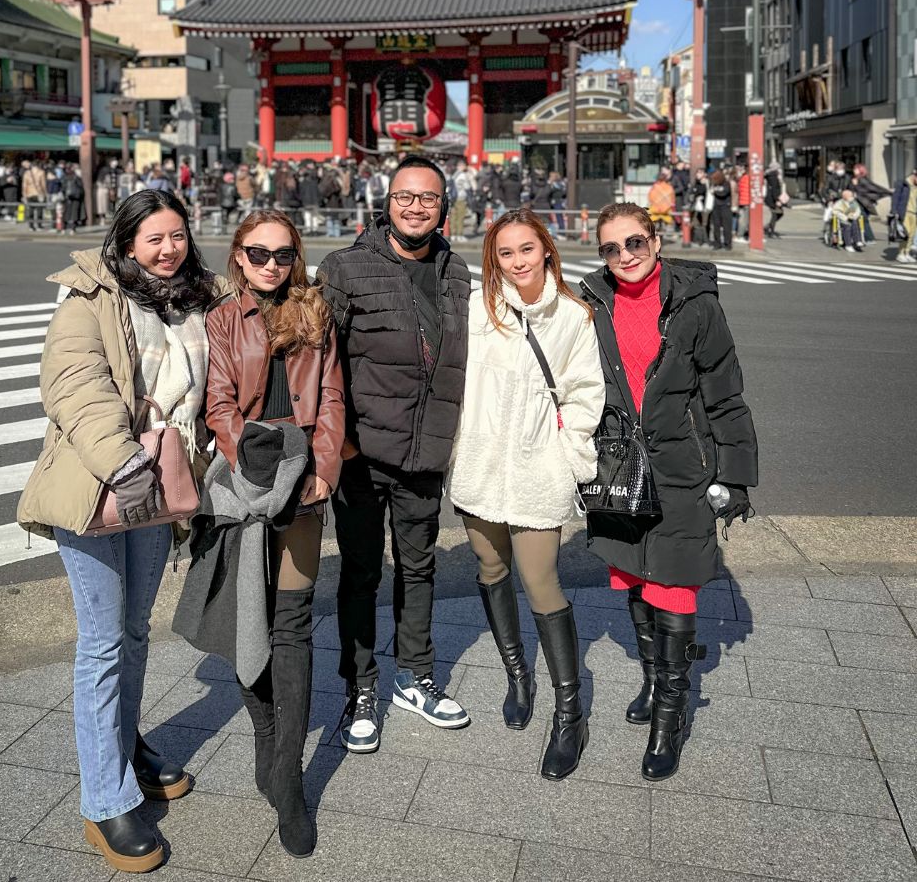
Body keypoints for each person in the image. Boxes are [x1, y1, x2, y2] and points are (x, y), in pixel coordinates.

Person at [17, 189, 219, 872]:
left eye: (178, 235)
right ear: (126, 240)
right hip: (101, 484)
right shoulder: (89, 298)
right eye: (154, 238)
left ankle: (125, 746)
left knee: (136, 630)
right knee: (103, 642)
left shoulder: (198, 298)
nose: (169, 249)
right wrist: (123, 462)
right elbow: (73, 382)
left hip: (162, 488)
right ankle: (105, 802)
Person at [580, 203, 757, 781]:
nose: (625, 256)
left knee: (675, 581)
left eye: (635, 243)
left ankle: (669, 716)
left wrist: (732, 474)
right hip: (619, 463)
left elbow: (724, 393)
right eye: (611, 248)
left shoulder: (695, 303)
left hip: (683, 464)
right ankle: (653, 679)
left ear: (655, 241)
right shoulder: (593, 303)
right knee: (633, 572)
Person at [190, 210, 344, 857]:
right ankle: (264, 730)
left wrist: (325, 471)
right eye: (260, 254)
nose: (273, 266)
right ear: (239, 258)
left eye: (284, 255)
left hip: (304, 483)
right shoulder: (223, 320)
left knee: (293, 621)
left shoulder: (315, 312)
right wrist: (253, 469)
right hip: (250, 480)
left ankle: (289, 776)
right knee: (248, 616)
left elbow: (333, 397)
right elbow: (218, 404)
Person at [318, 154, 472, 753]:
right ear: (386, 202)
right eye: (405, 196)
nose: (416, 206)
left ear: (443, 207)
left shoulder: (457, 273)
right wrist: (340, 442)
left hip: (425, 455)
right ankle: (360, 687)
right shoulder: (346, 267)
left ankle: (416, 675)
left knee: (419, 568)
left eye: (428, 198)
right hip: (362, 454)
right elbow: (317, 358)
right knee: (359, 572)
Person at [449, 210, 604, 780]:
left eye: (526, 249)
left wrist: (568, 455)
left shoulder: (571, 316)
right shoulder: (477, 309)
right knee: (490, 568)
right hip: (479, 465)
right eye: (505, 254)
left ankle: (570, 711)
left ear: (546, 251)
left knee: (541, 579)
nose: (517, 262)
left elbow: (587, 392)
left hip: (539, 466)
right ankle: (517, 672)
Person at [851, 163, 890, 243]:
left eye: (856, 169)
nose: (854, 170)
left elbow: (873, 189)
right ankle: (862, 238)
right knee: (860, 221)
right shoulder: (857, 179)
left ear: (860, 170)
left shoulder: (862, 180)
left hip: (863, 204)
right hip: (860, 203)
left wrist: (889, 192)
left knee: (863, 221)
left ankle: (869, 238)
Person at [891, 168, 917, 263]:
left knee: (911, 234)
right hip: (904, 212)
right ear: (915, 175)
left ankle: (907, 252)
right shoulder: (903, 184)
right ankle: (900, 254)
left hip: (914, 213)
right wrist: (894, 211)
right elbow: (895, 197)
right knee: (905, 233)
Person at [21, 159, 48, 231]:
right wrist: (45, 194)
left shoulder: (26, 173)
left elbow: (24, 185)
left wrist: (24, 195)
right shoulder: (41, 172)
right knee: (40, 210)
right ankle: (39, 225)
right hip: (39, 193)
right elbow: (43, 184)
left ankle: (31, 226)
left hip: (29, 193)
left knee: (31, 210)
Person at [708, 169, 732, 250]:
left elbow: (724, 193)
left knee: (726, 226)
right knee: (716, 226)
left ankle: (728, 243)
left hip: (725, 206)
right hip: (716, 207)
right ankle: (717, 243)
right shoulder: (714, 184)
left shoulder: (726, 184)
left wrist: (715, 192)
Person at [764, 162, 786, 239]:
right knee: (775, 214)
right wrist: (777, 200)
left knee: (779, 214)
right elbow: (774, 190)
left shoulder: (772, 175)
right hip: (773, 199)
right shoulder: (773, 176)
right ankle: (771, 231)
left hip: (772, 198)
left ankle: (769, 227)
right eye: (778, 168)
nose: (780, 169)